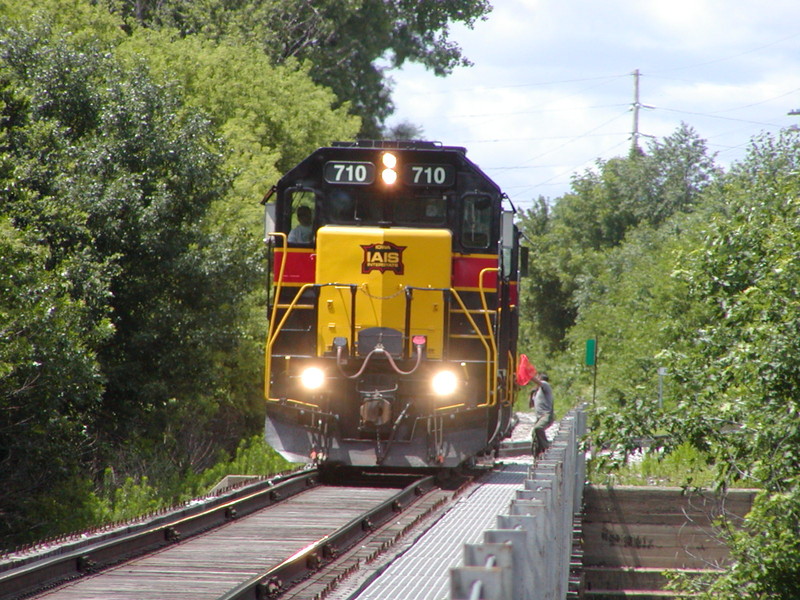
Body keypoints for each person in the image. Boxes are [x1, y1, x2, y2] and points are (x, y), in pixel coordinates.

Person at [529, 372, 555, 457]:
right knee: (534, 435)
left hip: (546, 415)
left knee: (538, 428)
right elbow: (531, 405)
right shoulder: (537, 392)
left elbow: (536, 381)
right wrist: (531, 395)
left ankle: (547, 449)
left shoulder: (545, 385)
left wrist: (527, 375)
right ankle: (537, 454)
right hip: (539, 417)